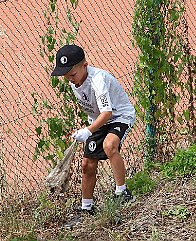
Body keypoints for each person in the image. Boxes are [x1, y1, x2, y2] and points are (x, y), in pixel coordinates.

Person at [51, 44, 136, 215]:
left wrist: (88, 131)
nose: (70, 80)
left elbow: (107, 112)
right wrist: (90, 128)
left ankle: (123, 193)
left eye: (72, 75)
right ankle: (87, 207)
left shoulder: (98, 80)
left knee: (109, 145)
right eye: (67, 77)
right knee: (87, 164)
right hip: (98, 120)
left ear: (85, 65)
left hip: (119, 116)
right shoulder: (74, 81)